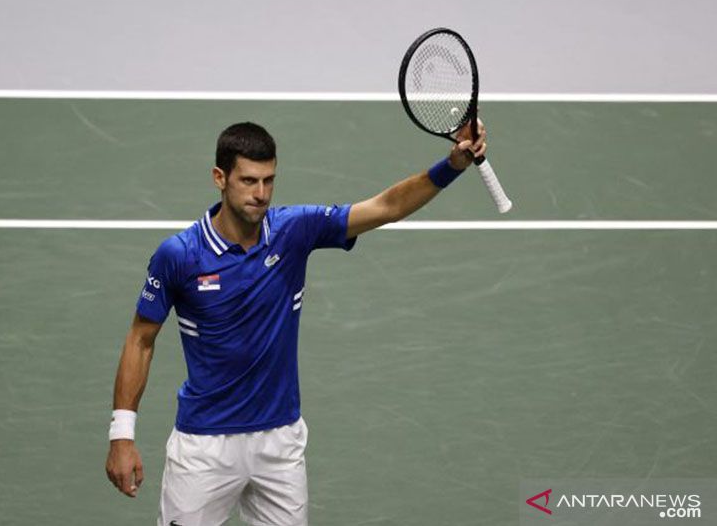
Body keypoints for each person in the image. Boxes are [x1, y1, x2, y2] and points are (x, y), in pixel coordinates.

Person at [105, 119, 487, 526]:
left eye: (269, 181)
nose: (261, 194)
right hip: (204, 446)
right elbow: (140, 340)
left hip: (280, 443)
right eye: (249, 181)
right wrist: (121, 435)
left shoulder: (294, 231)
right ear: (220, 178)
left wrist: (453, 165)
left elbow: (386, 207)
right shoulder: (179, 255)